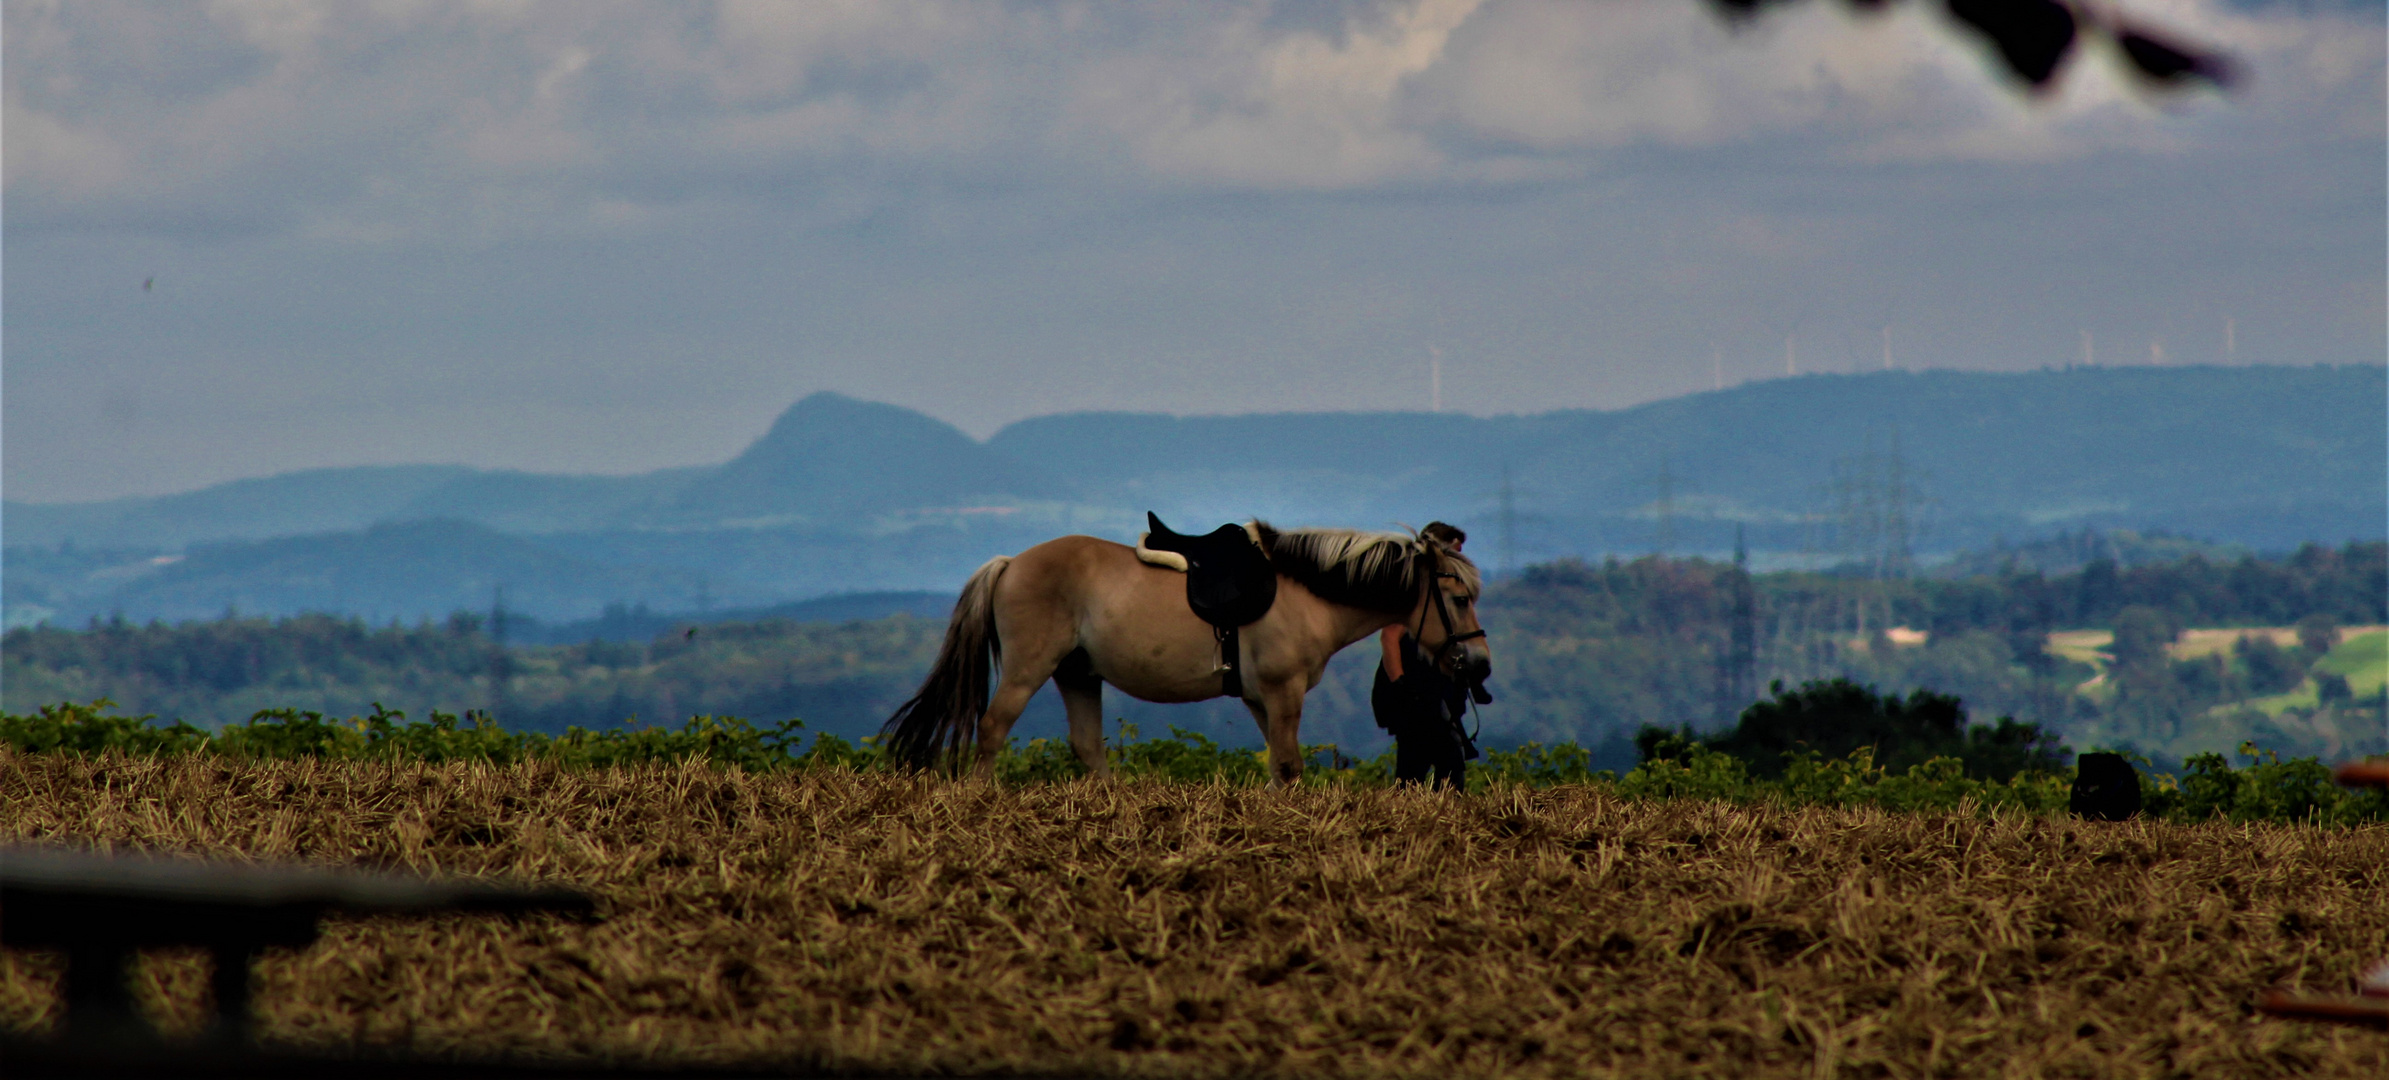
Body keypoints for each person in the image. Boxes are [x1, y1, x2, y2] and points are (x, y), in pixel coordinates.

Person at [1371, 522, 1476, 789]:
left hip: (1433, 687)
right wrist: (1400, 685)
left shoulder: (1442, 590)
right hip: (1414, 687)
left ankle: (1414, 815)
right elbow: (1390, 637)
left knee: (1419, 758)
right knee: (1445, 756)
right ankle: (1441, 814)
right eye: (1454, 552)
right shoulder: (1412, 587)